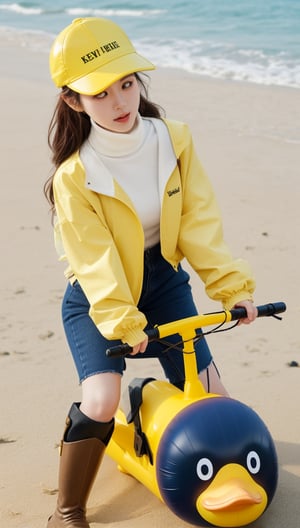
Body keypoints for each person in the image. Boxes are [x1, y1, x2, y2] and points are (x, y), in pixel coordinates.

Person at [45, 17, 257, 528]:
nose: (120, 103)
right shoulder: (76, 176)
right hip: (99, 296)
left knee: (212, 398)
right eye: (101, 94)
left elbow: (200, 222)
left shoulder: (173, 140)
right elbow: (95, 263)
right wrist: (123, 324)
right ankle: (68, 509)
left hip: (163, 281)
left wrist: (233, 290)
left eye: (127, 84)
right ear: (74, 101)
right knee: (102, 397)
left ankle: (223, 486)